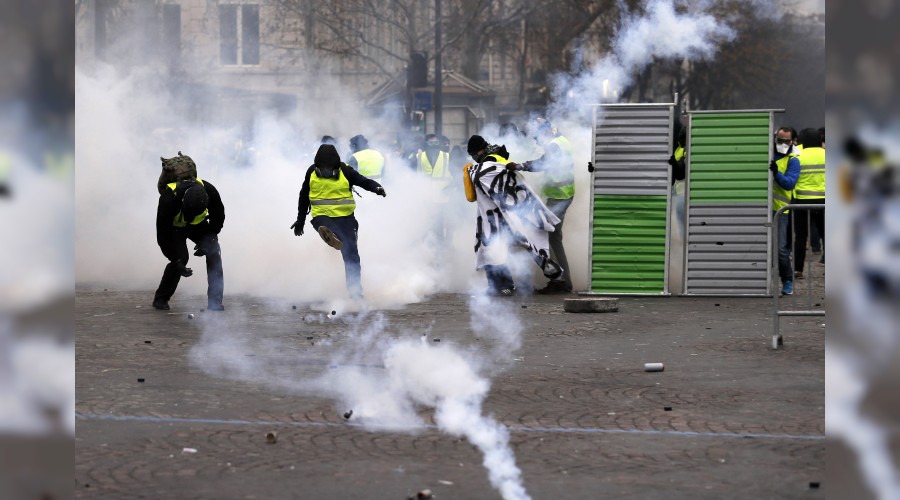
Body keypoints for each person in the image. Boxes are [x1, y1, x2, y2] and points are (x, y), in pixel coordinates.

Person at [463, 135, 564, 296]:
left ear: (479, 151)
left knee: (491, 246)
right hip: (508, 214)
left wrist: (471, 173)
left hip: (499, 216)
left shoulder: (489, 164)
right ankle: (517, 284)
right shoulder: (498, 159)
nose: (473, 158)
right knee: (521, 245)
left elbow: (475, 192)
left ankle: (502, 286)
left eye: (473, 154)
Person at [292, 144, 386, 299]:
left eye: (330, 168)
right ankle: (332, 234)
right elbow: (303, 198)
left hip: (346, 219)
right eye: (323, 168)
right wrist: (300, 221)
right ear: (317, 167)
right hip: (321, 217)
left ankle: (355, 293)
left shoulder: (346, 170)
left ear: (336, 166)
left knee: (352, 256)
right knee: (326, 226)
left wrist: (377, 188)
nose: (327, 172)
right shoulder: (311, 173)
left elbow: (363, 181)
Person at [516, 118, 575, 294]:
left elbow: (543, 163)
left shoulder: (554, 145)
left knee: (545, 237)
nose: (535, 141)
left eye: (535, 137)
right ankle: (564, 281)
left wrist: (521, 165)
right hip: (564, 195)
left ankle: (560, 281)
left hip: (559, 197)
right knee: (554, 238)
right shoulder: (563, 141)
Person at [153, 170, 225, 311]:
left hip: (198, 226)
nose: (191, 215)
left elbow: (218, 218)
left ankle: (215, 301)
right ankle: (161, 298)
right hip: (175, 229)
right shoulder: (168, 199)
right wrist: (174, 259)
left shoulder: (210, 190)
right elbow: (162, 235)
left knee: (213, 251)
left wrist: (208, 239)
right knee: (181, 259)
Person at [769, 127, 801, 295]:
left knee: (781, 249)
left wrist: (776, 173)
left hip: (780, 211)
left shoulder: (793, 160)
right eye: (779, 140)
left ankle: (787, 280)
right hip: (762, 208)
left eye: (786, 141)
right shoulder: (767, 152)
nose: (782, 144)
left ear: (792, 141)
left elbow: (789, 183)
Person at [792, 128, 826, 279]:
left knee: (800, 236)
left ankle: (798, 269)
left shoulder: (797, 155)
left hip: (801, 202)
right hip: (824, 201)